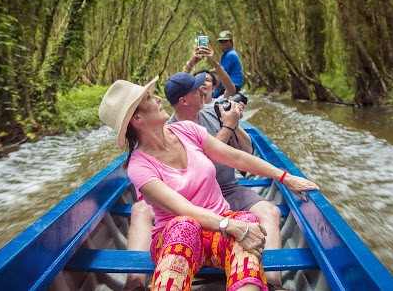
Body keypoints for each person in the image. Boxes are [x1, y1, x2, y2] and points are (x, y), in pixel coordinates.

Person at [99, 77, 319, 291]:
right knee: (184, 224)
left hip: (218, 236)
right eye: (149, 98)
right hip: (176, 240)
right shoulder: (139, 166)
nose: (158, 99)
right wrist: (230, 226)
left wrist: (285, 177)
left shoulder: (187, 129)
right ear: (137, 119)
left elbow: (237, 158)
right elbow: (182, 209)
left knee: (247, 221)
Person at [183, 42, 236, 106]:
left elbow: (231, 90)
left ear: (214, 88)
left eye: (207, 80)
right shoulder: (187, 105)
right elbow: (177, 87)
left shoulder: (219, 104)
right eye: (199, 80)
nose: (203, 83)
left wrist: (214, 63)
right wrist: (190, 64)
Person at [212, 30, 243, 98]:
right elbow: (219, 68)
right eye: (221, 41)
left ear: (231, 43)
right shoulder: (227, 54)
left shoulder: (230, 55)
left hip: (231, 87)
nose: (222, 44)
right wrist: (208, 71)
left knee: (212, 99)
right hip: (230, 86)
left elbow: (221, 76)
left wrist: (212, 90)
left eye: (225, 41)